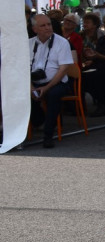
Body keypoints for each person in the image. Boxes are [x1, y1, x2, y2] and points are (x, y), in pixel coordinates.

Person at [28, 14, 74, 149]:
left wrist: (46, 87)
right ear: (35, 29)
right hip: (33, 83)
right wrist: (30, 88)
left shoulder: (62, 42)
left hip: (56, 82)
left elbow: (63, 69)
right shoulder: (28, 43)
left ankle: (48, 136)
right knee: (20, 94)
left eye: (49, 24)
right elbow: (22, 69)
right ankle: (37, 121)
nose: (48, 27)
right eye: (43, 25)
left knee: (54, 94)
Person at [81, 14, 105, 117]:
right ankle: (99, 101)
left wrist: (98, 56)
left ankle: (102, 104)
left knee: (96, 76)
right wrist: (91, 57)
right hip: (99, 65)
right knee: (83, 75)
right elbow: (96, 55)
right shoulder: (102, 39)